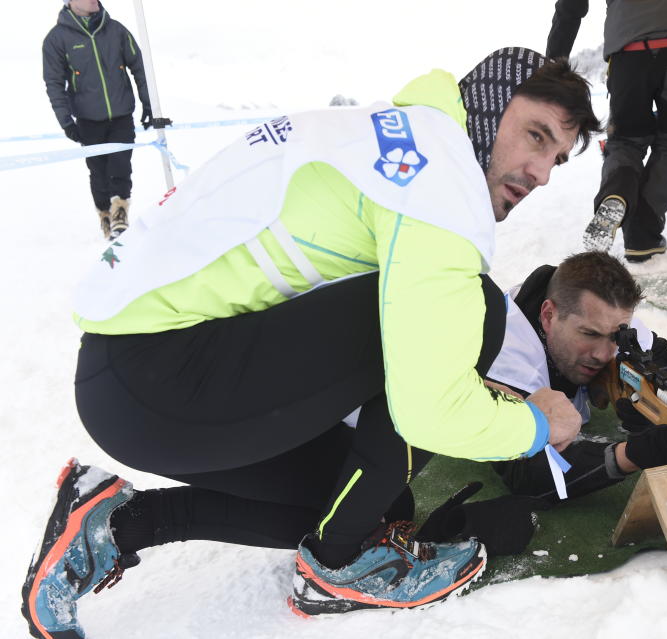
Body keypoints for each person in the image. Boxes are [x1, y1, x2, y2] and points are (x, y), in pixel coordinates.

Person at [21, 47, 602, 637]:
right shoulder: (439, 175)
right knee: (478, 310)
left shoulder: (398, 136)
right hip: (159, 378)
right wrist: (533, 426)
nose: (541, 173)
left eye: (556, 159)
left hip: (135, 382)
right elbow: (430, 409)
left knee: (371, 505)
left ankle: (114, 524)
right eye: (535, 136)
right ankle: (337, 568)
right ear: (488, 106)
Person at [484, 251, 667, 505]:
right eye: (589, 334)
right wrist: (631, 455)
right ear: (548, 315)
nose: (603, 354)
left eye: (614, 338)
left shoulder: (602, 313)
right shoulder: (504, 355)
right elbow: (526, 476)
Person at [546, 0, 667, 262]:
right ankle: (643, 236)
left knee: (626, 141)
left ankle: (615, 194)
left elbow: (571, 5)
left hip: (628, 49)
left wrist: (554, 59)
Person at [42, 0, 153, 239]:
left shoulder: (116, 30)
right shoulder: (57, 39)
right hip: (88, 119)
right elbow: (54, 83)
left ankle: (120, 212)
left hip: (121, 114)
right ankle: (104, 215)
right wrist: (66, 122)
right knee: (98, 171)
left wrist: (149, 103)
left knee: (121, 165)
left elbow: (139, 67)